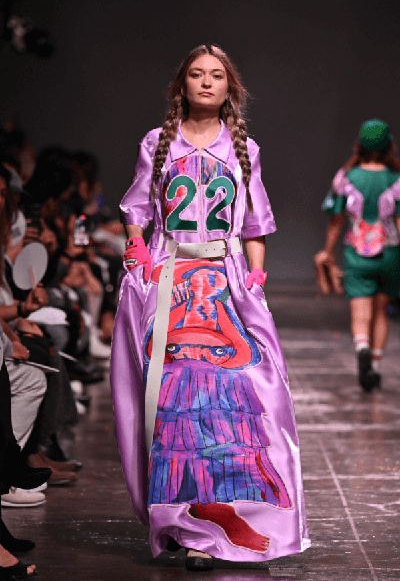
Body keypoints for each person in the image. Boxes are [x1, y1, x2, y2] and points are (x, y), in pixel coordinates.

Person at [111, 44, 310, 570]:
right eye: (196, 74)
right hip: (170, 283)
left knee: (233, 402)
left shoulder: (244, 149)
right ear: (182, 85)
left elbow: (255, 224)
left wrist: (256, 279)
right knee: (172, 405)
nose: (206, 82)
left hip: (226, 283)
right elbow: (136, 206)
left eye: (216, 75)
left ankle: (222, 519)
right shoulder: (157, 143)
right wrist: (136, 249)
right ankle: (186, 525)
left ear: (229, 87)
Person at [316, 119, 400, 391]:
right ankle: (374, 366)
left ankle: (362, 347)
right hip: (389, 252)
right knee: (380, 312)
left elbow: (336, 219)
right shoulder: (396, 179)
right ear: (389, 145)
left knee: (360, 312)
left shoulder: (346, 177)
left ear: (359, 145)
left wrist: (328, 252)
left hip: (357, 252)